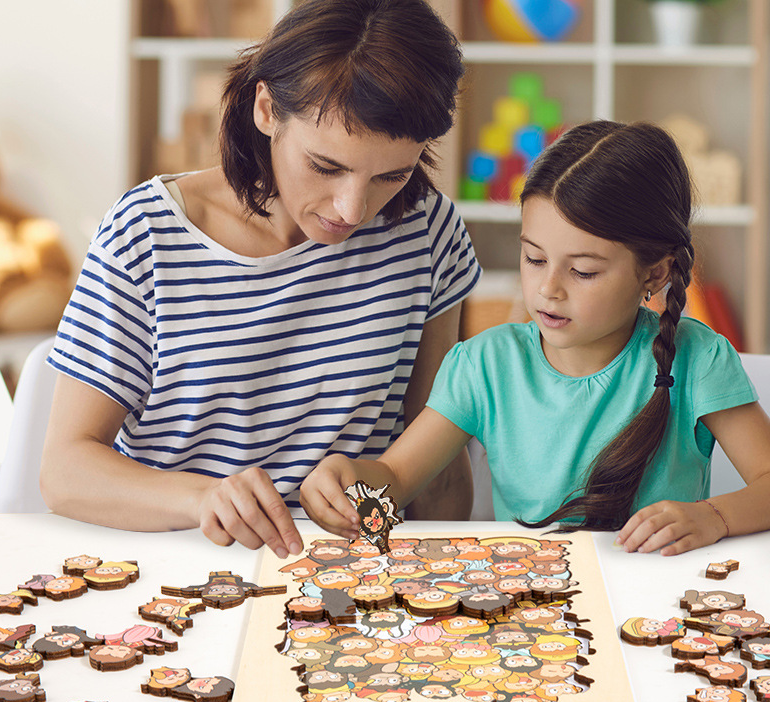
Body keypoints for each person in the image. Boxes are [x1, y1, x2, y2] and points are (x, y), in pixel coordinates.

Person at [40, 0, 480, 557]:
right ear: (267, 108)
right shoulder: (147, 235)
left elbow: (434, 464)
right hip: (181, 563)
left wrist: (385, 498)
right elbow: (66, 470)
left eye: (392, 175)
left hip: (351, 573)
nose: (351, 209)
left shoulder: (426, 231)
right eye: (327, 166)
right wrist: (202, 500)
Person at [301, 120, 770, 556]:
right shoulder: (485, 364)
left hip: (653, 607)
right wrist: (347, 480)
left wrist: (715, 517)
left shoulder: (698, 359)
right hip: (534, 609)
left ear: (655, 272)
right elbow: (394, 478)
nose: (548, 289)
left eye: (583, 271)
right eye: (534, 259)